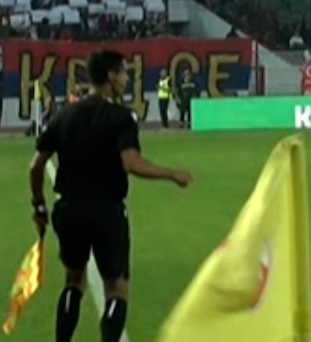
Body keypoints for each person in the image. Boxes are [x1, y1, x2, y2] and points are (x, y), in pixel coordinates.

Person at [30, 50, 193, 342]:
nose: (127, 79)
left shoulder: (64, 114)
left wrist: (39, 205)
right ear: (110, 77)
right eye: (123, 73)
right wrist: (171, 174)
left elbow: (36, 165)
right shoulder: (120, 117)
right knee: (116, 289)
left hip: (69, 210)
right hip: (106, 211)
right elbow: (130, 163)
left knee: (73, 281)